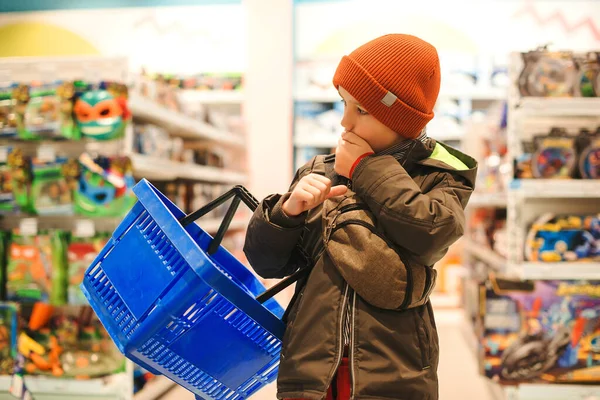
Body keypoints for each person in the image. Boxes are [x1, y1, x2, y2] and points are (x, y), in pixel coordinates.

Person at [244, 34, 477, 400]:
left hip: (395, 369)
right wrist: (285, 214)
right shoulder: (320, 169)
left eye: (362, 110)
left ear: (400, 117)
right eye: (344, 104)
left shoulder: (443, 172)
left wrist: (366, 168)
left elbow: (432, 232)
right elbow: (267, 262)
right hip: (311, 363)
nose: (344, 122)